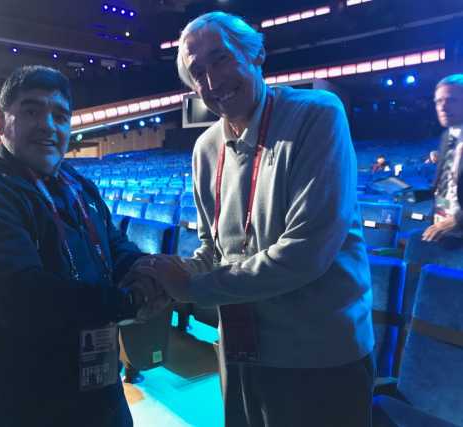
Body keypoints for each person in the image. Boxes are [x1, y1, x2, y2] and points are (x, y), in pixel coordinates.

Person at [125, 11, 374, 427]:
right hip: (241, 351)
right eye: (197, 73)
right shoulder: (205, 149)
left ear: (255, 54)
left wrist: (192, 287)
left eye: (221, 59)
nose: (212, 80)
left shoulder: (316, 115)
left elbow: (307, 252)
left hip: (319, 357)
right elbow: (214, 250)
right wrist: (164, 277)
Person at [0, 65, 168, 427]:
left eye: (60, 116)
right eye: (31, 111)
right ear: (0, 120)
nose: (48, 125)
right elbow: (24, 299)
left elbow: (114, 248)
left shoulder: (77, 185)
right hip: (20, 404)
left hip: (95, 388)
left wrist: (148, 271)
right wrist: (128, 302)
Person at [422, 74, 463, 243]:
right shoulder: (447, 136)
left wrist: (457, 220)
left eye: (451, 100)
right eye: (438, 101)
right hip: (442, 229)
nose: (443, 107)